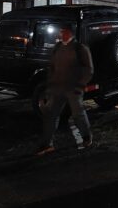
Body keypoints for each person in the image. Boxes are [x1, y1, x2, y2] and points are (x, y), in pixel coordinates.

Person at [36, 26, 94, 156]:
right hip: (57, 89)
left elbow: (89, 70)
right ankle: (47, 144)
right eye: (60, 32)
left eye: (64, 32)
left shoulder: (80, 48)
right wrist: (50, 86)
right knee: (51, 116)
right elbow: (52, 67)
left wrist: (79, 85)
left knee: (78, 115)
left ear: (70, 33)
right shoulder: (57, 48)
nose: (61, 34)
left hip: (73, 89)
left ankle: (86, 137)